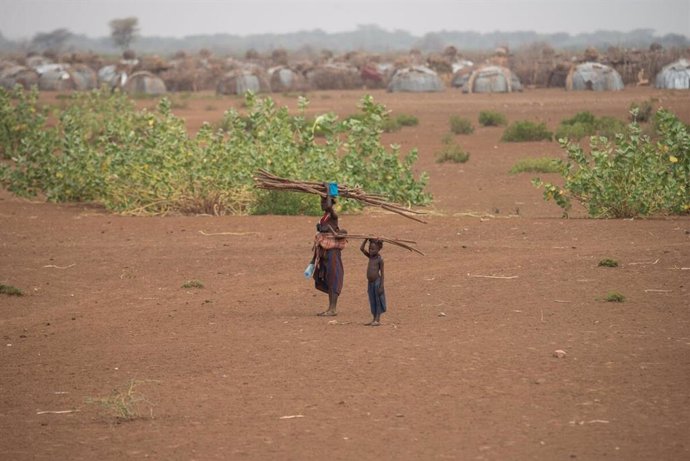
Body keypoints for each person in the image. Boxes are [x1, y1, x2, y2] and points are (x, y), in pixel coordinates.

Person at [312, 194, 346, 316]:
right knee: (328, 277)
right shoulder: (324, 217)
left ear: (330, 203)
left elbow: (331, 209)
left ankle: (333, 309)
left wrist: (327, 189)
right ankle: (330, 308)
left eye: (324, 202)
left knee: (333, 277)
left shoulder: (333, 215)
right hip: (325, 252)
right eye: (321, 202)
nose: (322, 204)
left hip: (332, 252)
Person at [360, 238, 386, 326]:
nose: (370, 250)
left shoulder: (380, 260)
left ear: (378, 249)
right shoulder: (370, 257)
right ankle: (374, 318)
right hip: (370, 283)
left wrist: (381, 286)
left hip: (377, 282)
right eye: (370, 248)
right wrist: (366, 240)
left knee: (378, 300)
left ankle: (377, 319)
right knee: (372, 300)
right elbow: (361, 249)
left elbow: (382, 274)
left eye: (373, 249)